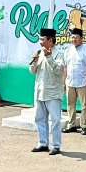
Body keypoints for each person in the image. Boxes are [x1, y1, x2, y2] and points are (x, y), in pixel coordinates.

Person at [29, 28, 64, 156]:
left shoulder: (58, 54)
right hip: (39, 91)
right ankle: (43, 143)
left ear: (50, 40)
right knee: (39, 118)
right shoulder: (40, 53)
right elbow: (32, 71)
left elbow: (59, 71)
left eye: (42, 39)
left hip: (53, 92)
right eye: (40, 39)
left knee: (55, 119)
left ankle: (56, 145)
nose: (40, 42)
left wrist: (49, 57)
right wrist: (34, 60)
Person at [63, 28, 86, 135]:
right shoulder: (67, 50)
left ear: (81, 38)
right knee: (70, 104)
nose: (74, 39)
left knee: (84, 105)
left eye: (76, 37)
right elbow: (65, 67)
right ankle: (71, 125)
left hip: (82, 82)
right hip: (70, 82)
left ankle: (84, 126)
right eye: (72, 37)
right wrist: (64, 82)